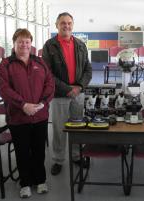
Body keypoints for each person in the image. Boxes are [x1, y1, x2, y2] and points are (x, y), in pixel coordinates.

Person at [0, 28, 54, 198]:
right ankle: (25, 183)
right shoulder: (6, 64)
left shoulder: (40, 62)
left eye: (27, 41)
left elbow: (50, 84)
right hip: (18, 117)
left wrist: (42, 103)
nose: (24, 45)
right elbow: (3, 88)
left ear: (31, 44)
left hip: (40, 115)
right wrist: (23, 105)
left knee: (38, 151)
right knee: (22, 152)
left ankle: (40, 180)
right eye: (20, 41)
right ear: (14, 44)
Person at [42, 12, 92, 176]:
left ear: (73, 25)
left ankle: (77, 155)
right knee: (59, 128)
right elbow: (47, 73)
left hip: (78, 93)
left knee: (78, 127)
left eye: (69, 23)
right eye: (63, 23)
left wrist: (79, 87)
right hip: (59, 94)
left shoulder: (80, 44)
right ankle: (58, 160)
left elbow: (88, 69)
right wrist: (67, 89)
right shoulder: (50, 45)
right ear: (57, 25)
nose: (66, 26)